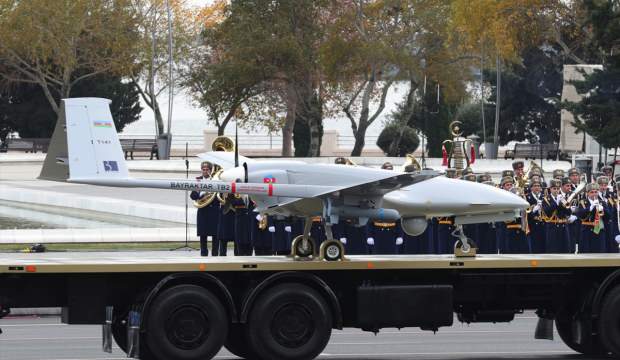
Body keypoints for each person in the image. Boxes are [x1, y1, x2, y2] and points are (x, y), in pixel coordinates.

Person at [189, 161, 218, 256]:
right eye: (203, 169)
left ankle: (215, 254)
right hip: (203, 210)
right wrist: (200, 194)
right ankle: (203, 254)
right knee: (203, 235)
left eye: (207, 169)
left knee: (215, 235)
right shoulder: (198, 180)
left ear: (210, 170)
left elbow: (218, 195)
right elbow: (192, 196)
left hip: (214, 210)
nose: (205, 171)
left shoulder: (215, 180)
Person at [497, 176, 529, 253]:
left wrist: (521, 197)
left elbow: (525, 209)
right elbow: (505, 218)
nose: (510, 187)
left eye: (511, 184)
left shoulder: (517, 195)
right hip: (507, 230)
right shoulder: (500, 198)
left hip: (520, 229)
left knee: (523, 252)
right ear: (503, 187)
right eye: (507, 185)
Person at [576, 183, 610, 253]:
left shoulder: (602, 202)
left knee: (600, 254)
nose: (594, 194)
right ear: (587, 193)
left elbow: (609, 217)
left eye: (596, 192)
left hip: (599, 232)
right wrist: (590, 208)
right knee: (586, 254)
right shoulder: (583, 202)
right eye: (591, 192)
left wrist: (603, 209)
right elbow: (580, 215)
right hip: (587, 232)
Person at [542, 179, 572, 253]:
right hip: (552, 227)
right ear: (550, 189)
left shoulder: (562, 198)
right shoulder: (546, 199)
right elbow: (547, 211)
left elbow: (569, 212)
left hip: (563, 227)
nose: (556, 190)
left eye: (558, 188)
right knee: (553, 249)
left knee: (565, 249)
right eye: (554, 188)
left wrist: (563, 204)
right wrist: (556, 203)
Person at [526, 180, 546, 253]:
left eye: (538, 186)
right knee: (534, 248)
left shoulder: (545, 197)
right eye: (535, 186)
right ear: (531, 188)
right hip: (532, 226)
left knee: (543, 248)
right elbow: (525, 213)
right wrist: (533, 210)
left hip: (543, 225)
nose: (537, 187)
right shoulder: (527, 197)